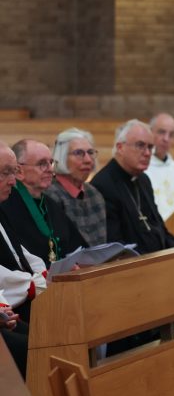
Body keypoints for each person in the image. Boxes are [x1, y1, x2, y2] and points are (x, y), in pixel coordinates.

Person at [91, 120, 174, 255]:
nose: (147, 153)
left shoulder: (143, 180)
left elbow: (159, 228)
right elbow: (115, 245)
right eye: (140, 145)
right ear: (120, 147)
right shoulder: (103, 184)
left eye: (150, 147)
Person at [0, 143, 47, 376]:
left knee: (56, 340)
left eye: (13, 171)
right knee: (40, 350)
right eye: (5, 172)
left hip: (9, 309)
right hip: (13, 305)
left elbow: (21, 252)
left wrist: (42, 274)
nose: (12, 181)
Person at [0, 139, 87, 264]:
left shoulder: (50, 203)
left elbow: (77, 247)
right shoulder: (6, 203)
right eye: (42, 164)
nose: (50, 170)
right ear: (19, 171)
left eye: (51, 163)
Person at [45, 128, 108, 246]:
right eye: (79, 153)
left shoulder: (95, 194)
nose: (88, 160)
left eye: (90, 152)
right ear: (61, 157)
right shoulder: (50, 195)